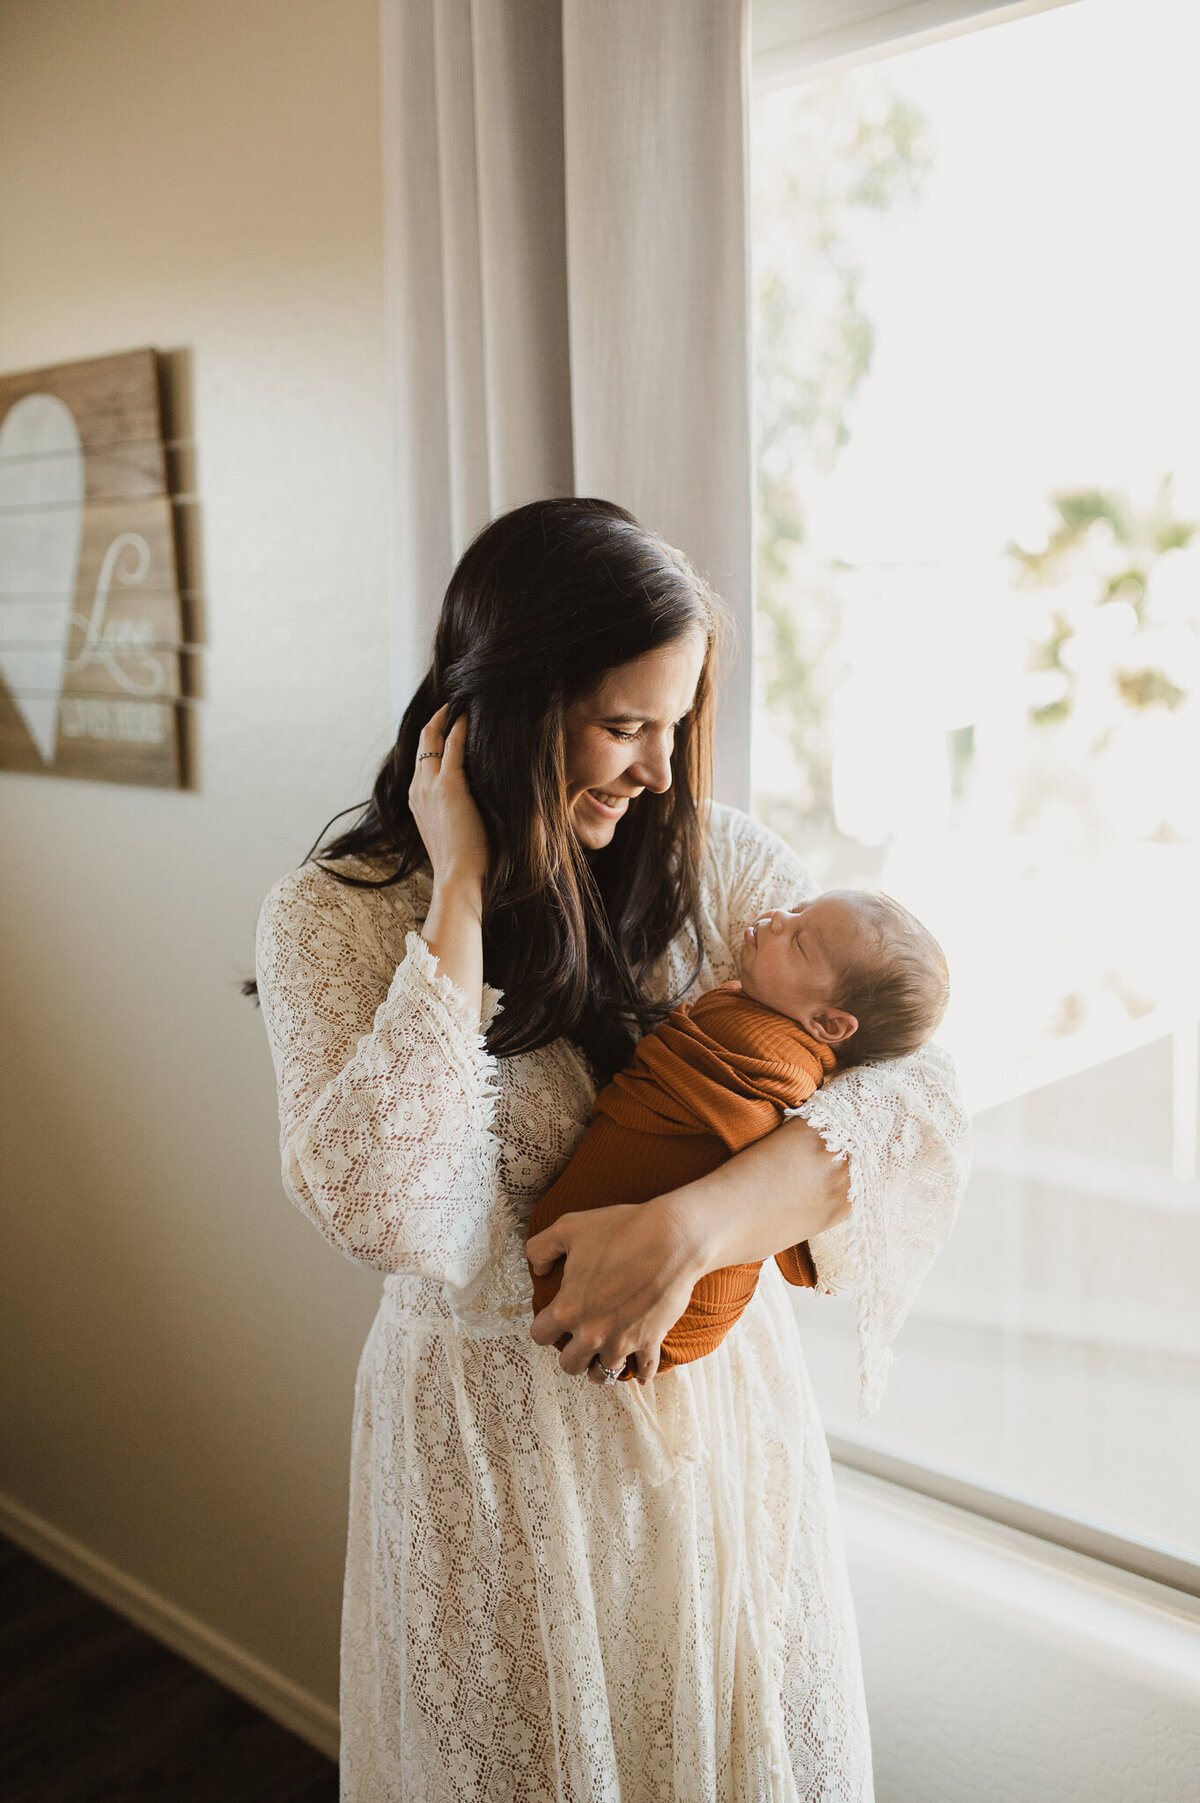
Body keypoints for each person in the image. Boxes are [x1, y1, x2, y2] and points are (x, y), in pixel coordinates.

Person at [254, 497, 968, 1801]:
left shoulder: (723, 870)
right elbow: (390, 1210)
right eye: (625, 725)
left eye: (675, 724)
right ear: (507, 707)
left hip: (719, 1429)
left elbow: (913, 1105)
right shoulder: (334, 917)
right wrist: (460, 894)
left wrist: (685, 1233)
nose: (655, 767)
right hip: (495, 1449)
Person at [526, 889, 949, 1381]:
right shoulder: (757, 1005)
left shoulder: (773, 1057)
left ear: (829, 1023)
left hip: (678, 1310)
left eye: (798, 940)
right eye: (795, 910)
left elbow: (756, 1131)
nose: (775, 919)